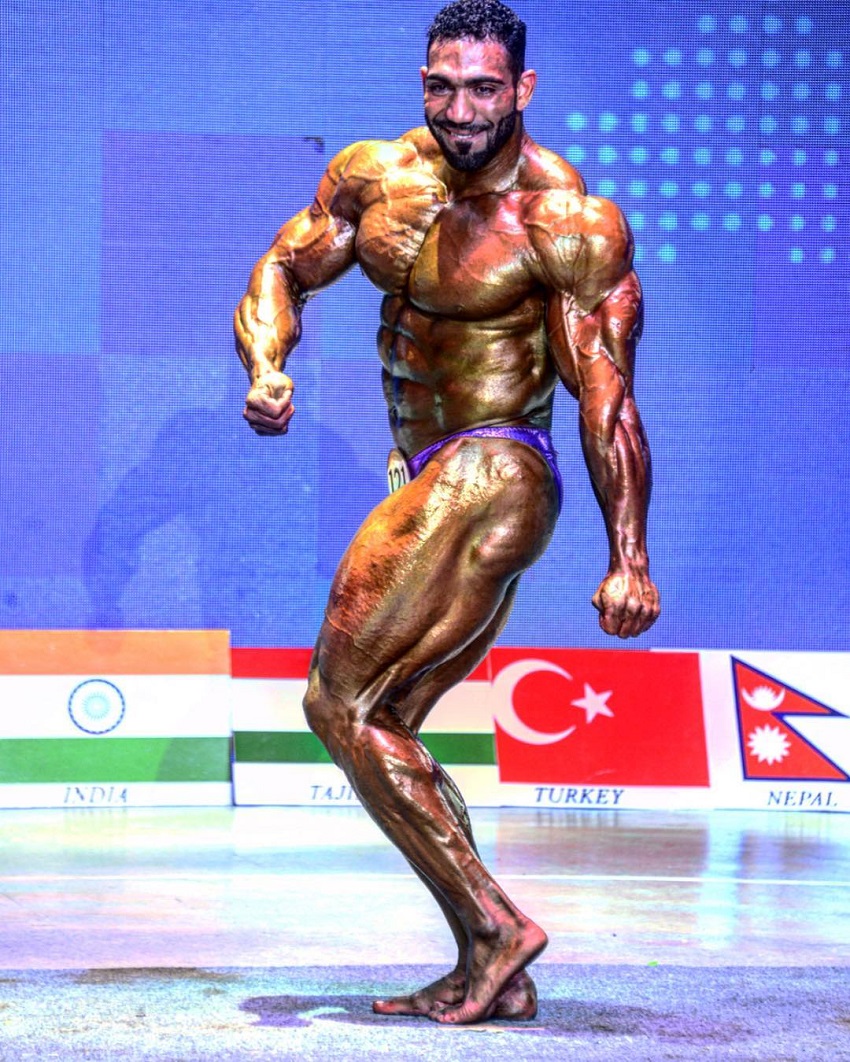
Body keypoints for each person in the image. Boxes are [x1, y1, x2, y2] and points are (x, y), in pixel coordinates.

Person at [234, 0, 660, 1026]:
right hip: (427, 468)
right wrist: (266, 361)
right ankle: (489, 962)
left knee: (337, 705)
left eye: (482, 87)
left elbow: (603, 389)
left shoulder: (562, 218)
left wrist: (628, 555)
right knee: (386, 727)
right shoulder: (376, 174)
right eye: (441, 85)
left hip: (498, 464)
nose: (460, 108)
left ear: (522, 88)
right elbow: (288, 264)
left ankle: (493, 926)